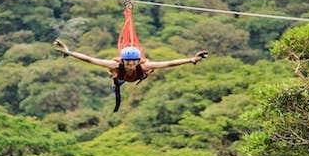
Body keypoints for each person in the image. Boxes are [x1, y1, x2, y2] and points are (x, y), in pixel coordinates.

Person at [53, 39, 208, 111]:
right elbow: (90, 60)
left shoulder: (143, 66)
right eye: (128, 63)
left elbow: (168, 63)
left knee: (148, 70)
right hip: (120, 78)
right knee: (116, 79)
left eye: (134, 62)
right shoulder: (116, 65)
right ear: (123, 61)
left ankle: (117, 82)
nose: (131, 65)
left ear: (137, 61)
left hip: (138, 77)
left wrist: (191, 59)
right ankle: (115, 82)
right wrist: (68, 52)